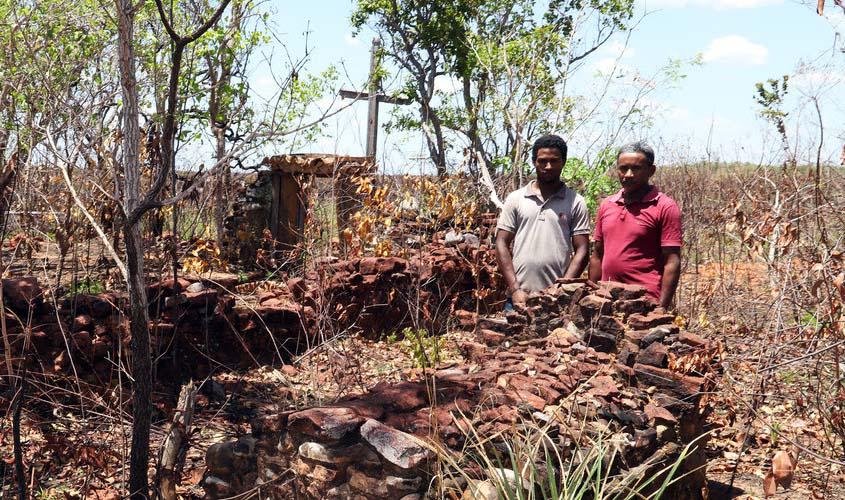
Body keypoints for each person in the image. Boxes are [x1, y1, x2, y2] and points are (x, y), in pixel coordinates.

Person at [496, 134, 591, 309]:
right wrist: (515, 288)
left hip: (557, 300)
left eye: (554, 161)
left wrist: (562, 289)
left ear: (563, 162)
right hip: (519, 297)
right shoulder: (516, 198)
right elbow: (502, 242)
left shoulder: (575, 201)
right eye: (542, 161)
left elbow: (583, 249)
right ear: (534, 162)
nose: (548, 166)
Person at [589, 141, 682, 309]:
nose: (628, 174)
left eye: (636, 168)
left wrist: (661, 308)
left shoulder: (665, 207)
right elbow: (597, 254)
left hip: (645, 301)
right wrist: (592, 294)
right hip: (606, 298)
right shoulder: (607, 205)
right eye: (623, 168)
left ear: (651, 171)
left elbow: (672, 261)